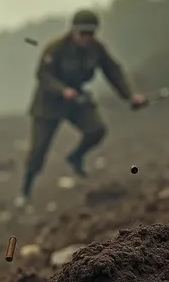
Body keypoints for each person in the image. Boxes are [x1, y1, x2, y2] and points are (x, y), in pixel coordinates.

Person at [17, 10, 147, 206]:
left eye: (90, 33)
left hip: (76, 100)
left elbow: (113, 72)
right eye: (82, 33)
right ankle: (25, 192)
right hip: (49, 104)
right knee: (38, 151)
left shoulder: (97, 49)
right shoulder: (56, 48)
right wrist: (62, 90)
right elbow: (43, 75)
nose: (86, 38)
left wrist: (130, 95)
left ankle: (75, 156)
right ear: (73, 31)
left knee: (97, 129)